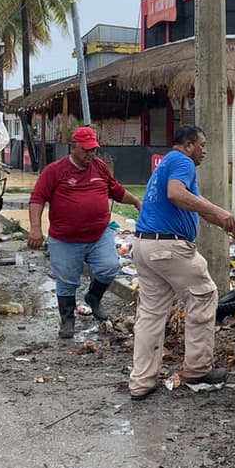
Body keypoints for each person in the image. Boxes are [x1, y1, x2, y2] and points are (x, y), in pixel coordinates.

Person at [128, 125, 235, 400]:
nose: (205, 150)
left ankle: (141, 382)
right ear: (187, 145)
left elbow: (195, 203)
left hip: (144, 245)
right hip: (169, 247)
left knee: (151, 314)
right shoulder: (182, 162)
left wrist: (232, 228)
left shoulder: (167, 164)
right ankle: (197, 368)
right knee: (204, 296)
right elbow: (177, 194)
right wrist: (219, 209)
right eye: (202, 145)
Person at [27, 126, 142, 339]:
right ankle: (68, 320)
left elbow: (115, 190)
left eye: (93, 150)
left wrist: (135, 201)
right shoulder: (54, 171)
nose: (91, 154)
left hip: (99, 234)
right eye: (86, 150)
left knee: (110, 267)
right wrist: (35, 228)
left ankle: (94, 298)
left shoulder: (99, 167)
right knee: (67, 280)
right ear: (73, 148)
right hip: (65, 239)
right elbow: (37, 199)